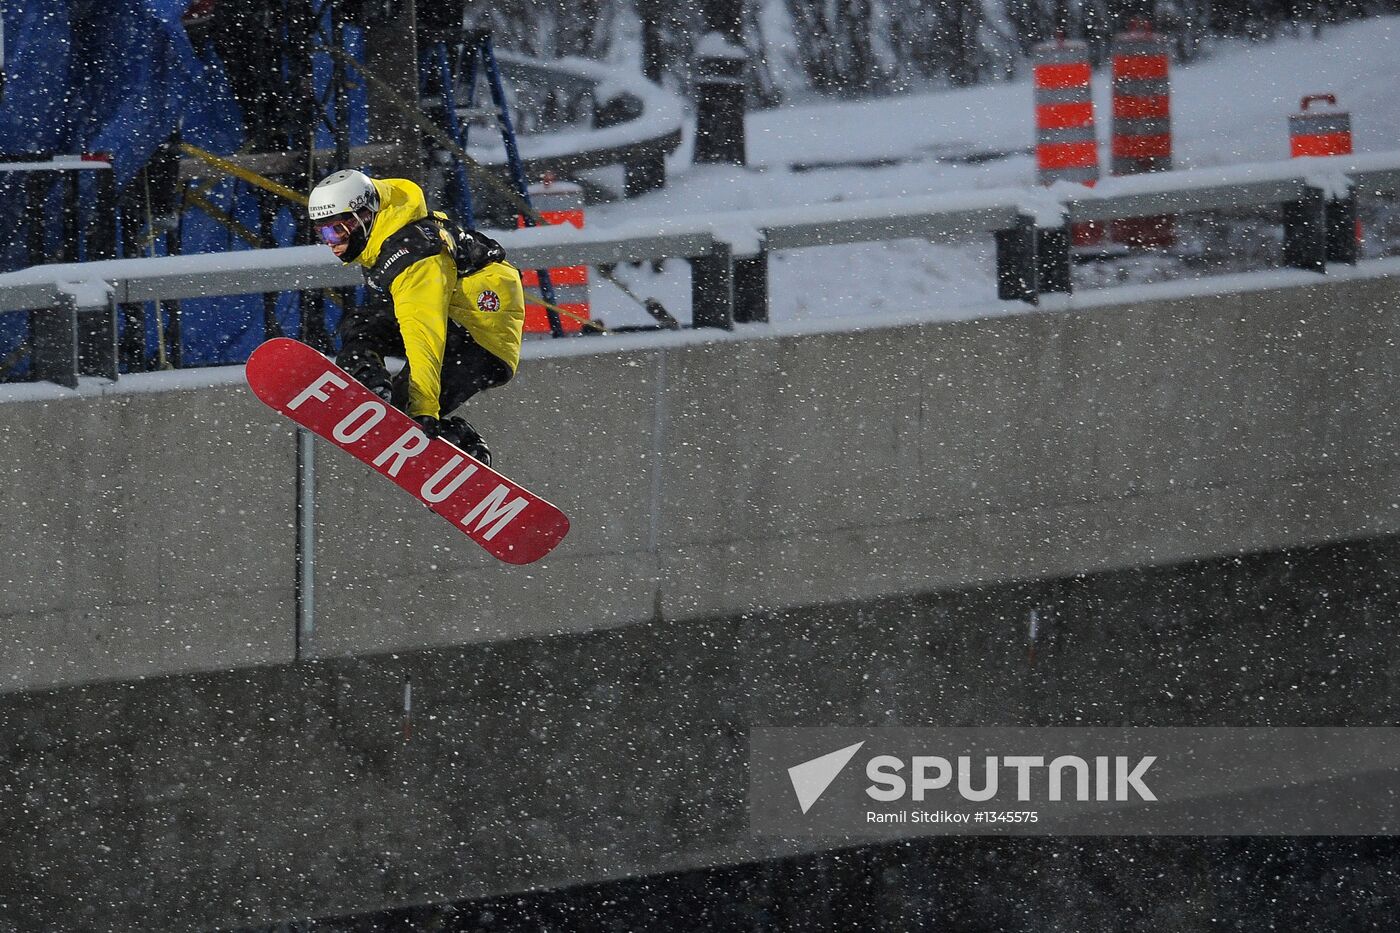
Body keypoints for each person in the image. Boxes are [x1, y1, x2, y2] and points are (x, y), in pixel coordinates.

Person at [307, 169, 524, 466]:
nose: (331, 243)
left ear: (363, 217)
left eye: (336, 231)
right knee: (361, 325)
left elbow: (424, 332)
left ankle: (461, 447)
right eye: (322, 233)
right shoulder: (386, 227)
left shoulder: (413, 257)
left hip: (479, 341)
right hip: (458, 323)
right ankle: (370, 382)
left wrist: (424, 406)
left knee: (407, 416)